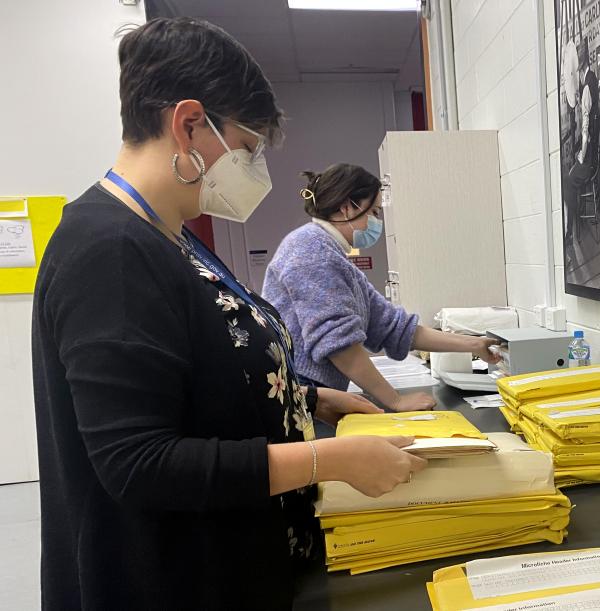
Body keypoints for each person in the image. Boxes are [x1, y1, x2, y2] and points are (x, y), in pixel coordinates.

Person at [32, 18, 426, 611]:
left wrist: (312, 399)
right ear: (189, 124)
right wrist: (331, 457)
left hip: (242, 558)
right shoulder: (108, 250)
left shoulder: (171, 237)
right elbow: (139, 463)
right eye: (246, 149)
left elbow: (201, 372)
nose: (254, 170)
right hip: (170, 580)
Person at [261, 164, 501, 412]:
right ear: (347, 207)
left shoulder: (333, 255)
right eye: (374, 211)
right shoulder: (312, 249)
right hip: (301, 393)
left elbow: (394, 327)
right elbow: (339, 344)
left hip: (315, 390)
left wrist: (475, 345)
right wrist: (395, 400)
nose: (377, 221)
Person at [563, 42, 599, 246]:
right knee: (572, 174)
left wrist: (581, 155)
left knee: (568, 181)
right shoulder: (593, 81)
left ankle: (573, 227)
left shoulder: (586, 89)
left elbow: (585, 129)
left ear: (581, 67)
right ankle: (577, 219)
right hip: (596, 150)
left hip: (590, 156)